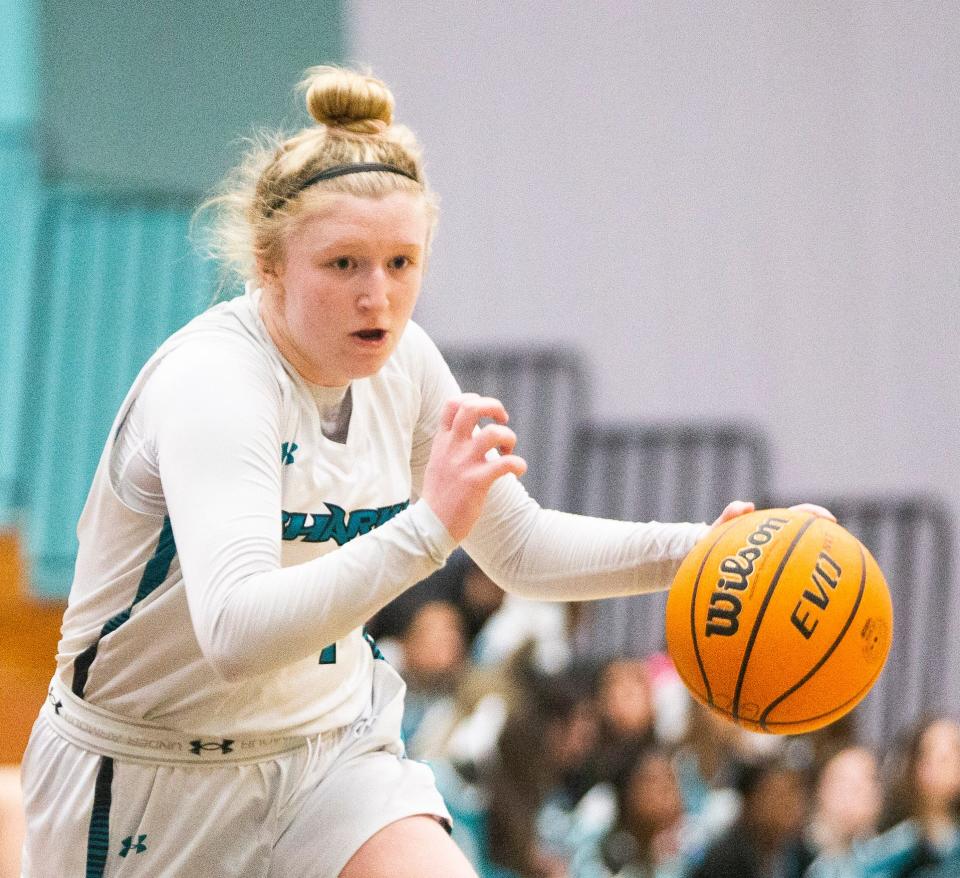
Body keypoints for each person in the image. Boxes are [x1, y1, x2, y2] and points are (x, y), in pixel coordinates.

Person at [18, 65, 831, 878]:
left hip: (325, 756)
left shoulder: (404, 364)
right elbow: (236, 631)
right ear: (269, 264)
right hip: (147, 772)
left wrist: (704, 548)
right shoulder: (216, 386)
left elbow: (521, 549)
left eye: (401, 263)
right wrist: (427, 527)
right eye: (344, 265)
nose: (378, 296)